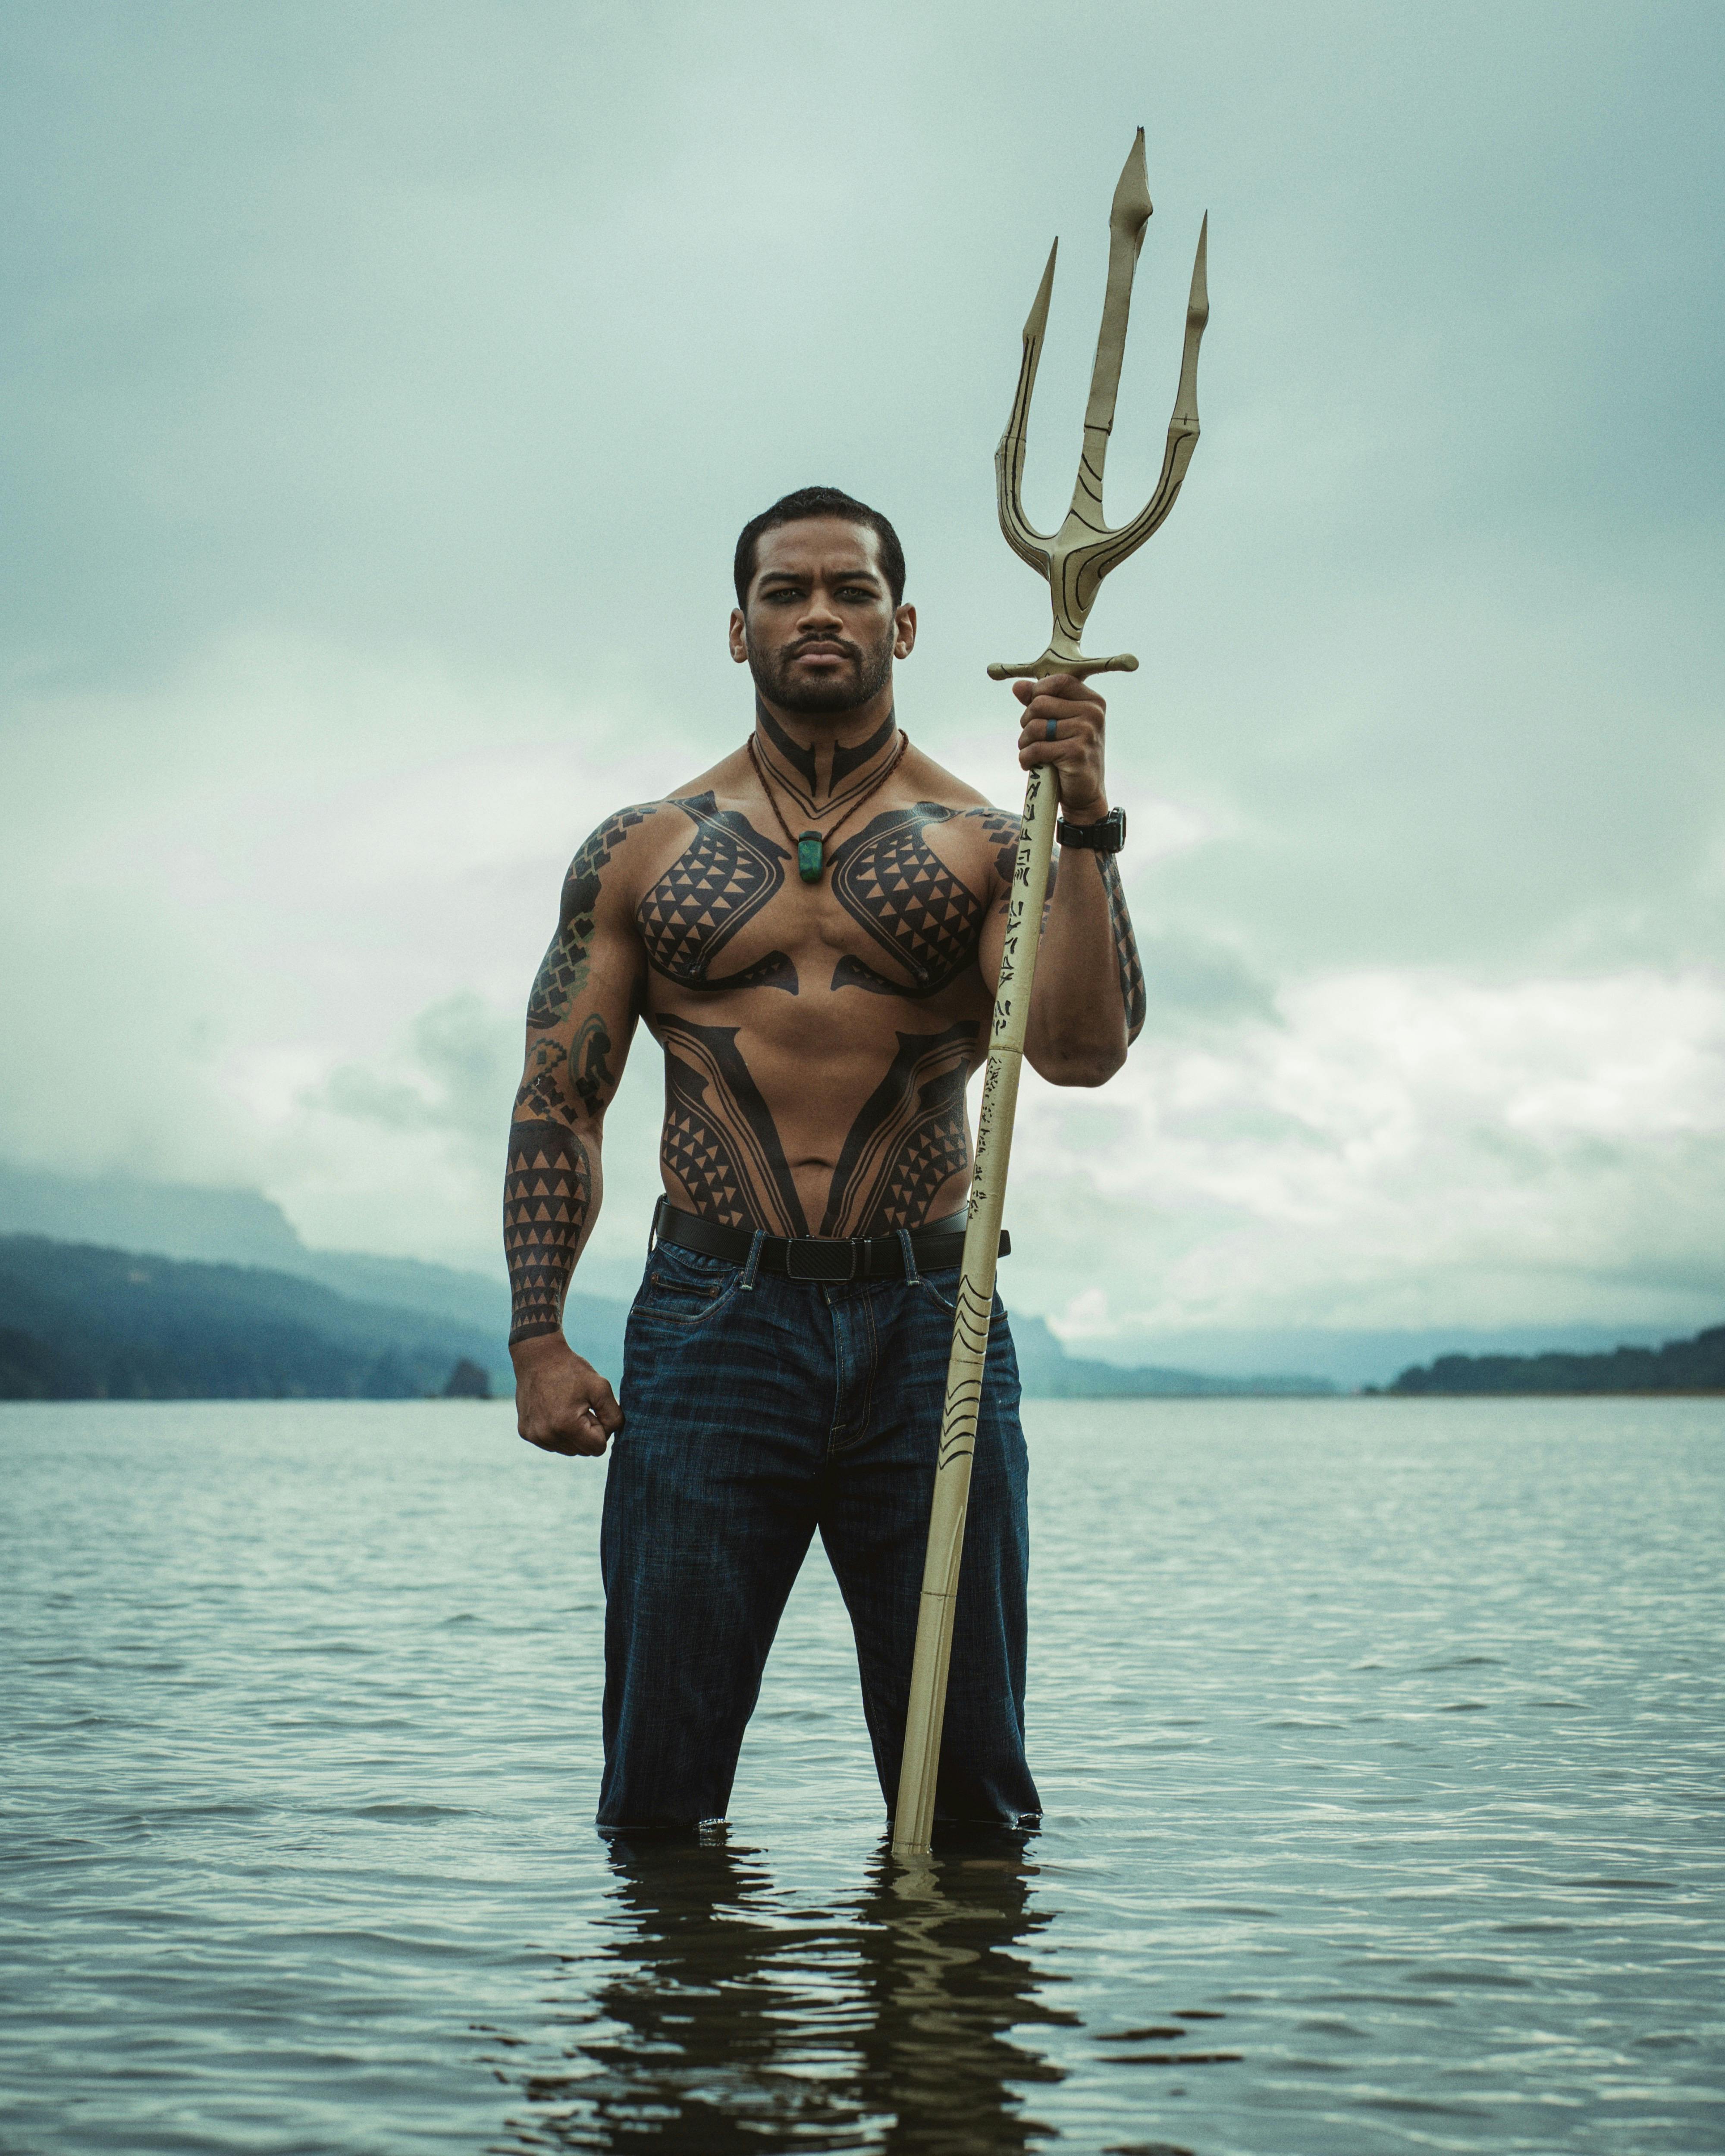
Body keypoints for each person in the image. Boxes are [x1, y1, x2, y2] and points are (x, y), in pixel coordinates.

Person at [506, 485, 1145, 1834]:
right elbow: (561, 1099)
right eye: (786, 592)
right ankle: (676, 2037)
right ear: (737, 630)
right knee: (658, 1792)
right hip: (712, 1319)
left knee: (967, 1793)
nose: (818, 613)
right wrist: (537, 1340)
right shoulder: (641, 853)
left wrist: (1086, 820)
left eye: (849, 590)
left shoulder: (991, 842)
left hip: (932, 1325)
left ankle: (948, 2042)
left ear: (902, 624)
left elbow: (1081, 1052)